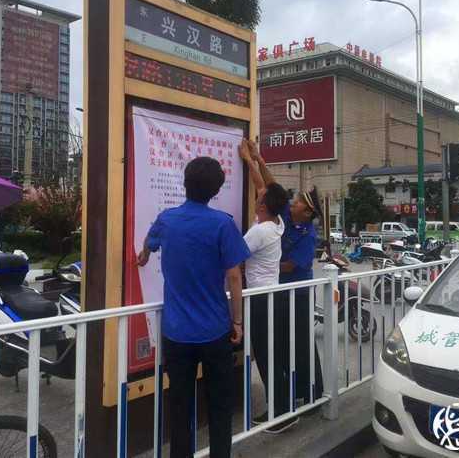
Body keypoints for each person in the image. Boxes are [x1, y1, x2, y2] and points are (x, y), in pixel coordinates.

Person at [137, 157, 250, 458]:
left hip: (176, 333)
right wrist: (237, 323)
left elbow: (150, 242)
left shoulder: (167, 219)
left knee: (180, 407)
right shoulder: (222, 224)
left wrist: (144, 254)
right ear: (215, 190)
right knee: (219, 405)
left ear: (185, 183)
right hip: (215, 331)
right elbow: (235, 275)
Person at [242, 139, 324, 432]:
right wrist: (258, 160)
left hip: (296, 294)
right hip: (277, 293)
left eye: (300, 202)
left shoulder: (307, 234)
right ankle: (291, 398)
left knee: (299, 345)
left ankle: (311, 394)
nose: (295, 203)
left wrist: (264, 261)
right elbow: (270, 189)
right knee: (282, 348)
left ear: (309, 213)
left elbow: (290, 266)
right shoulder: (282, 220)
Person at [238, 141, 289, 431]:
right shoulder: (277, 223)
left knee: (266, 356)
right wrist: (252, 159)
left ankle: (279, 414)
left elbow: (234, 257)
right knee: (273, 354)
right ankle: (283, 407)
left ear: (262, 204)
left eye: (260, 196)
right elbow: (265, 189)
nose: (258, 192)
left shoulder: (259, 232)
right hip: (273, 296)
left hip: (259, 300)